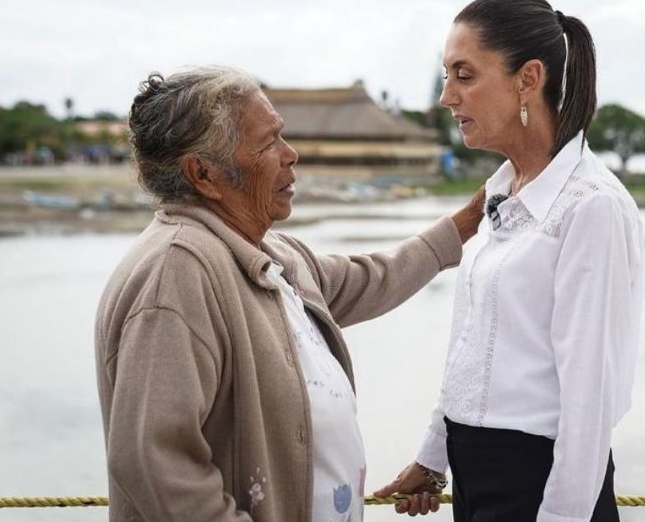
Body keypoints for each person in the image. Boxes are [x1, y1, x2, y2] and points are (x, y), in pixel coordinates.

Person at [94, 66, 484, 521]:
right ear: (203, 174)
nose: (291, 154)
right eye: (268, 144)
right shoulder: (176, 273)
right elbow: (154, 463)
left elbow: (369, 278)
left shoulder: (272, 254)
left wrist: (466, 224)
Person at [374, 0, 644, 522]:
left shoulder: (591, 208)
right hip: (476, 474)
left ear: (528, 78)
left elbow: (588, 401)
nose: (447, 97)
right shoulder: (501, 194)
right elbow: (470, 347)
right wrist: (433, 456)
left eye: (465, 75)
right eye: (447, 75)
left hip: (540, 484)